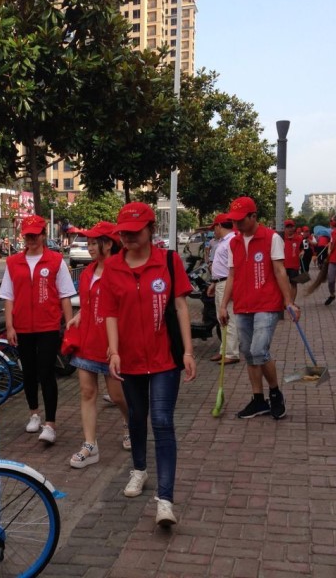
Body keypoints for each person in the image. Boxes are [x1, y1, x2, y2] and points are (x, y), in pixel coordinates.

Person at [102, 202, 197, 527]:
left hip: (164, 358)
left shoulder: (168, 261)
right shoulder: (113, 267)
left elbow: (182, 307)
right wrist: (113, 352)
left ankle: (166, 500)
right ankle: (139, 469)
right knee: (137, 417)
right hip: (128, 360)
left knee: (161, 420)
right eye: (123, 233)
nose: (127, 238)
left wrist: (187, 351)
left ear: (150, 230)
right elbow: (111, 312)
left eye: (134, 232)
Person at [218, 196, 300, 420]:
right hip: (242, 305)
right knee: (248, 353)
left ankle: (275, 394)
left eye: (241, 220)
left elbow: (279, 271)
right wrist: (224, 305)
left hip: (267, 304)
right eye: (233, 221)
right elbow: (232, 275)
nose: (236, 225)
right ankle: (258, 400)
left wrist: (288, 301)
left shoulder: (271, 238)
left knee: (258, 350)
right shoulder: (234, 242)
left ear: (254, 216)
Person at [0, 215, 76, 444]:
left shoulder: (55, 261)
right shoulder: (13, 262)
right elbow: (8, 298)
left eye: (35, 235)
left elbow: (65, 296)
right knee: (29, 373)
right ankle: (34, 413)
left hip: (48, 326)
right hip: (22, 327)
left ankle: (50, 424)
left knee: (46, 372)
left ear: (43, 235)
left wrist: (69, 325)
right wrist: (10, 326)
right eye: (28, 236)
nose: (31, 240)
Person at [66, 221, 131, 469]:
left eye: (94, 242)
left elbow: (124, 309)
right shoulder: (86, 273)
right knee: (87, 392)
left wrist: (116, 344)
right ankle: (90, 445)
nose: (90, 247)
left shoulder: (121, 271)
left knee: (117, 396)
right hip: (87, 341)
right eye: (89, 242)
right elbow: (87, 303)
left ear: (108, 243)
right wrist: (79, 316)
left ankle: (130, 423)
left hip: (112, 344)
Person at [206, 213, 239, 364]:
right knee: (222, 318)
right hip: (220, 282)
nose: (214, 231)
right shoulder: (224, 241)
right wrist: (214, 282)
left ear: (219, 226)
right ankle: (224, 350)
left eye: (215, 228)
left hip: (226, 282)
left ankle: (231, 353)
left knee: (228, 317)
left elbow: (234, 268)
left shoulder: (232, 241)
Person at [282, 219, 304, 304]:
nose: (290, 229)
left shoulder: (299, 238)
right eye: (288, 227)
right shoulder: (281, 238)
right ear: (284, 228)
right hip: (282, 266)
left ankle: (291, 303)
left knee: (293, 284)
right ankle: (284, 301)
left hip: (294, 266)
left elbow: (302, 249)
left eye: (291, 226)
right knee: (283, 285)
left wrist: (302, 252)